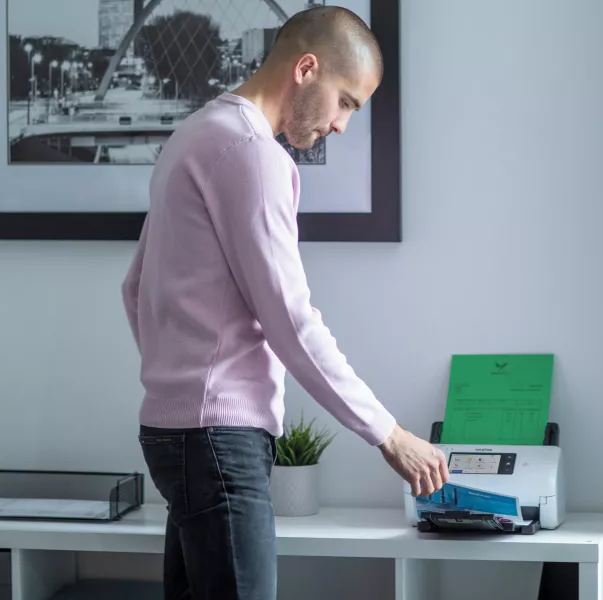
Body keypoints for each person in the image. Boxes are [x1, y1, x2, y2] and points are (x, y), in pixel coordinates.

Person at [121, 6, 449, 599]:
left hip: (174, 433)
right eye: (346, 101)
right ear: (306, 68)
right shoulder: (251, 152)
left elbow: (134, 286)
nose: (344, 125)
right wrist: (389, 434)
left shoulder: (192, 135)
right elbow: (290, 321)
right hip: (221, 440)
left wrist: (179, 381)